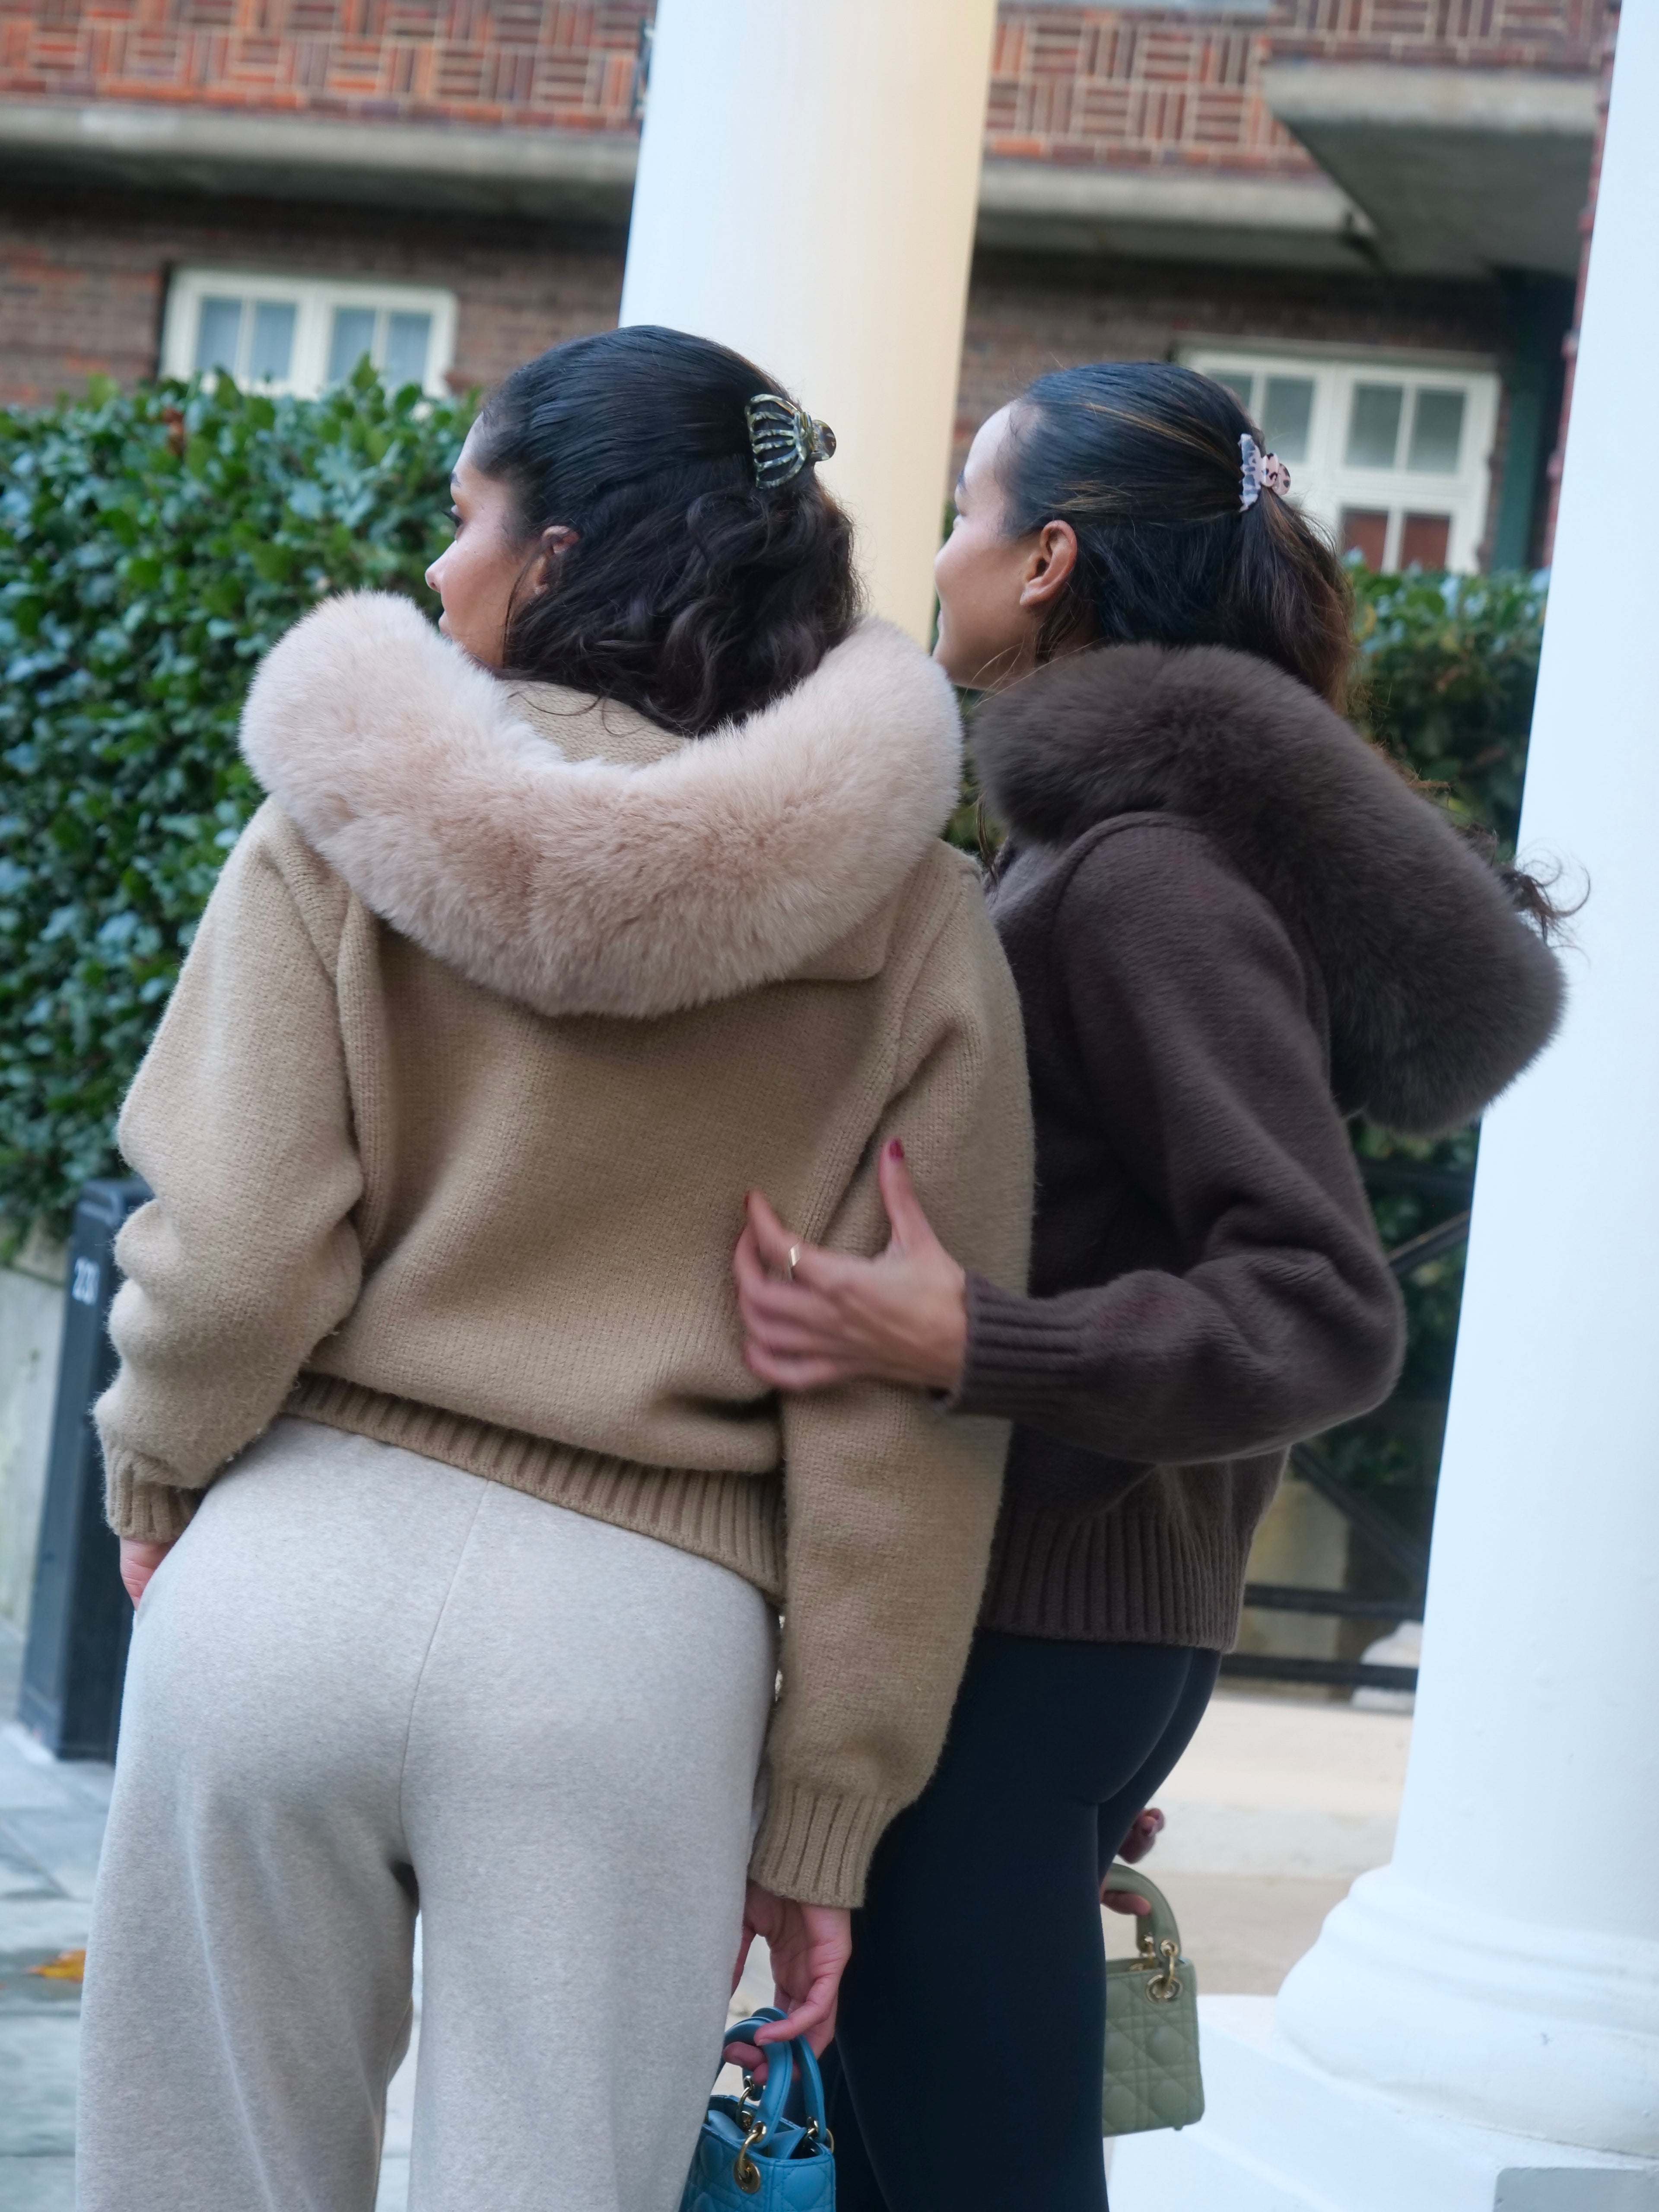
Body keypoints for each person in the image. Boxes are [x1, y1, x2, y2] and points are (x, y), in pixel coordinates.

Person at [77, 326, 1033, 2212]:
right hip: (633, 1660)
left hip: (281, 1589)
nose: (442, 567)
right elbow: (898, 1420)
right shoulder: (919, 915)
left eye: (469, 516)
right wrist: (825, 1811)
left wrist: (157, 1468)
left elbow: (238, 1254)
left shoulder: (335, 826)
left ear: (560, 555)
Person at [734, 360, 1567, 2210]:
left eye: (965, 512)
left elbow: (1312, 1299)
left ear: (1048, 560)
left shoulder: (1141, 875)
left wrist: (972, 1337)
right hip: (1045, 1645)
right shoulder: (1089, 848)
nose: (935, 556)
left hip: (1035, 1645)